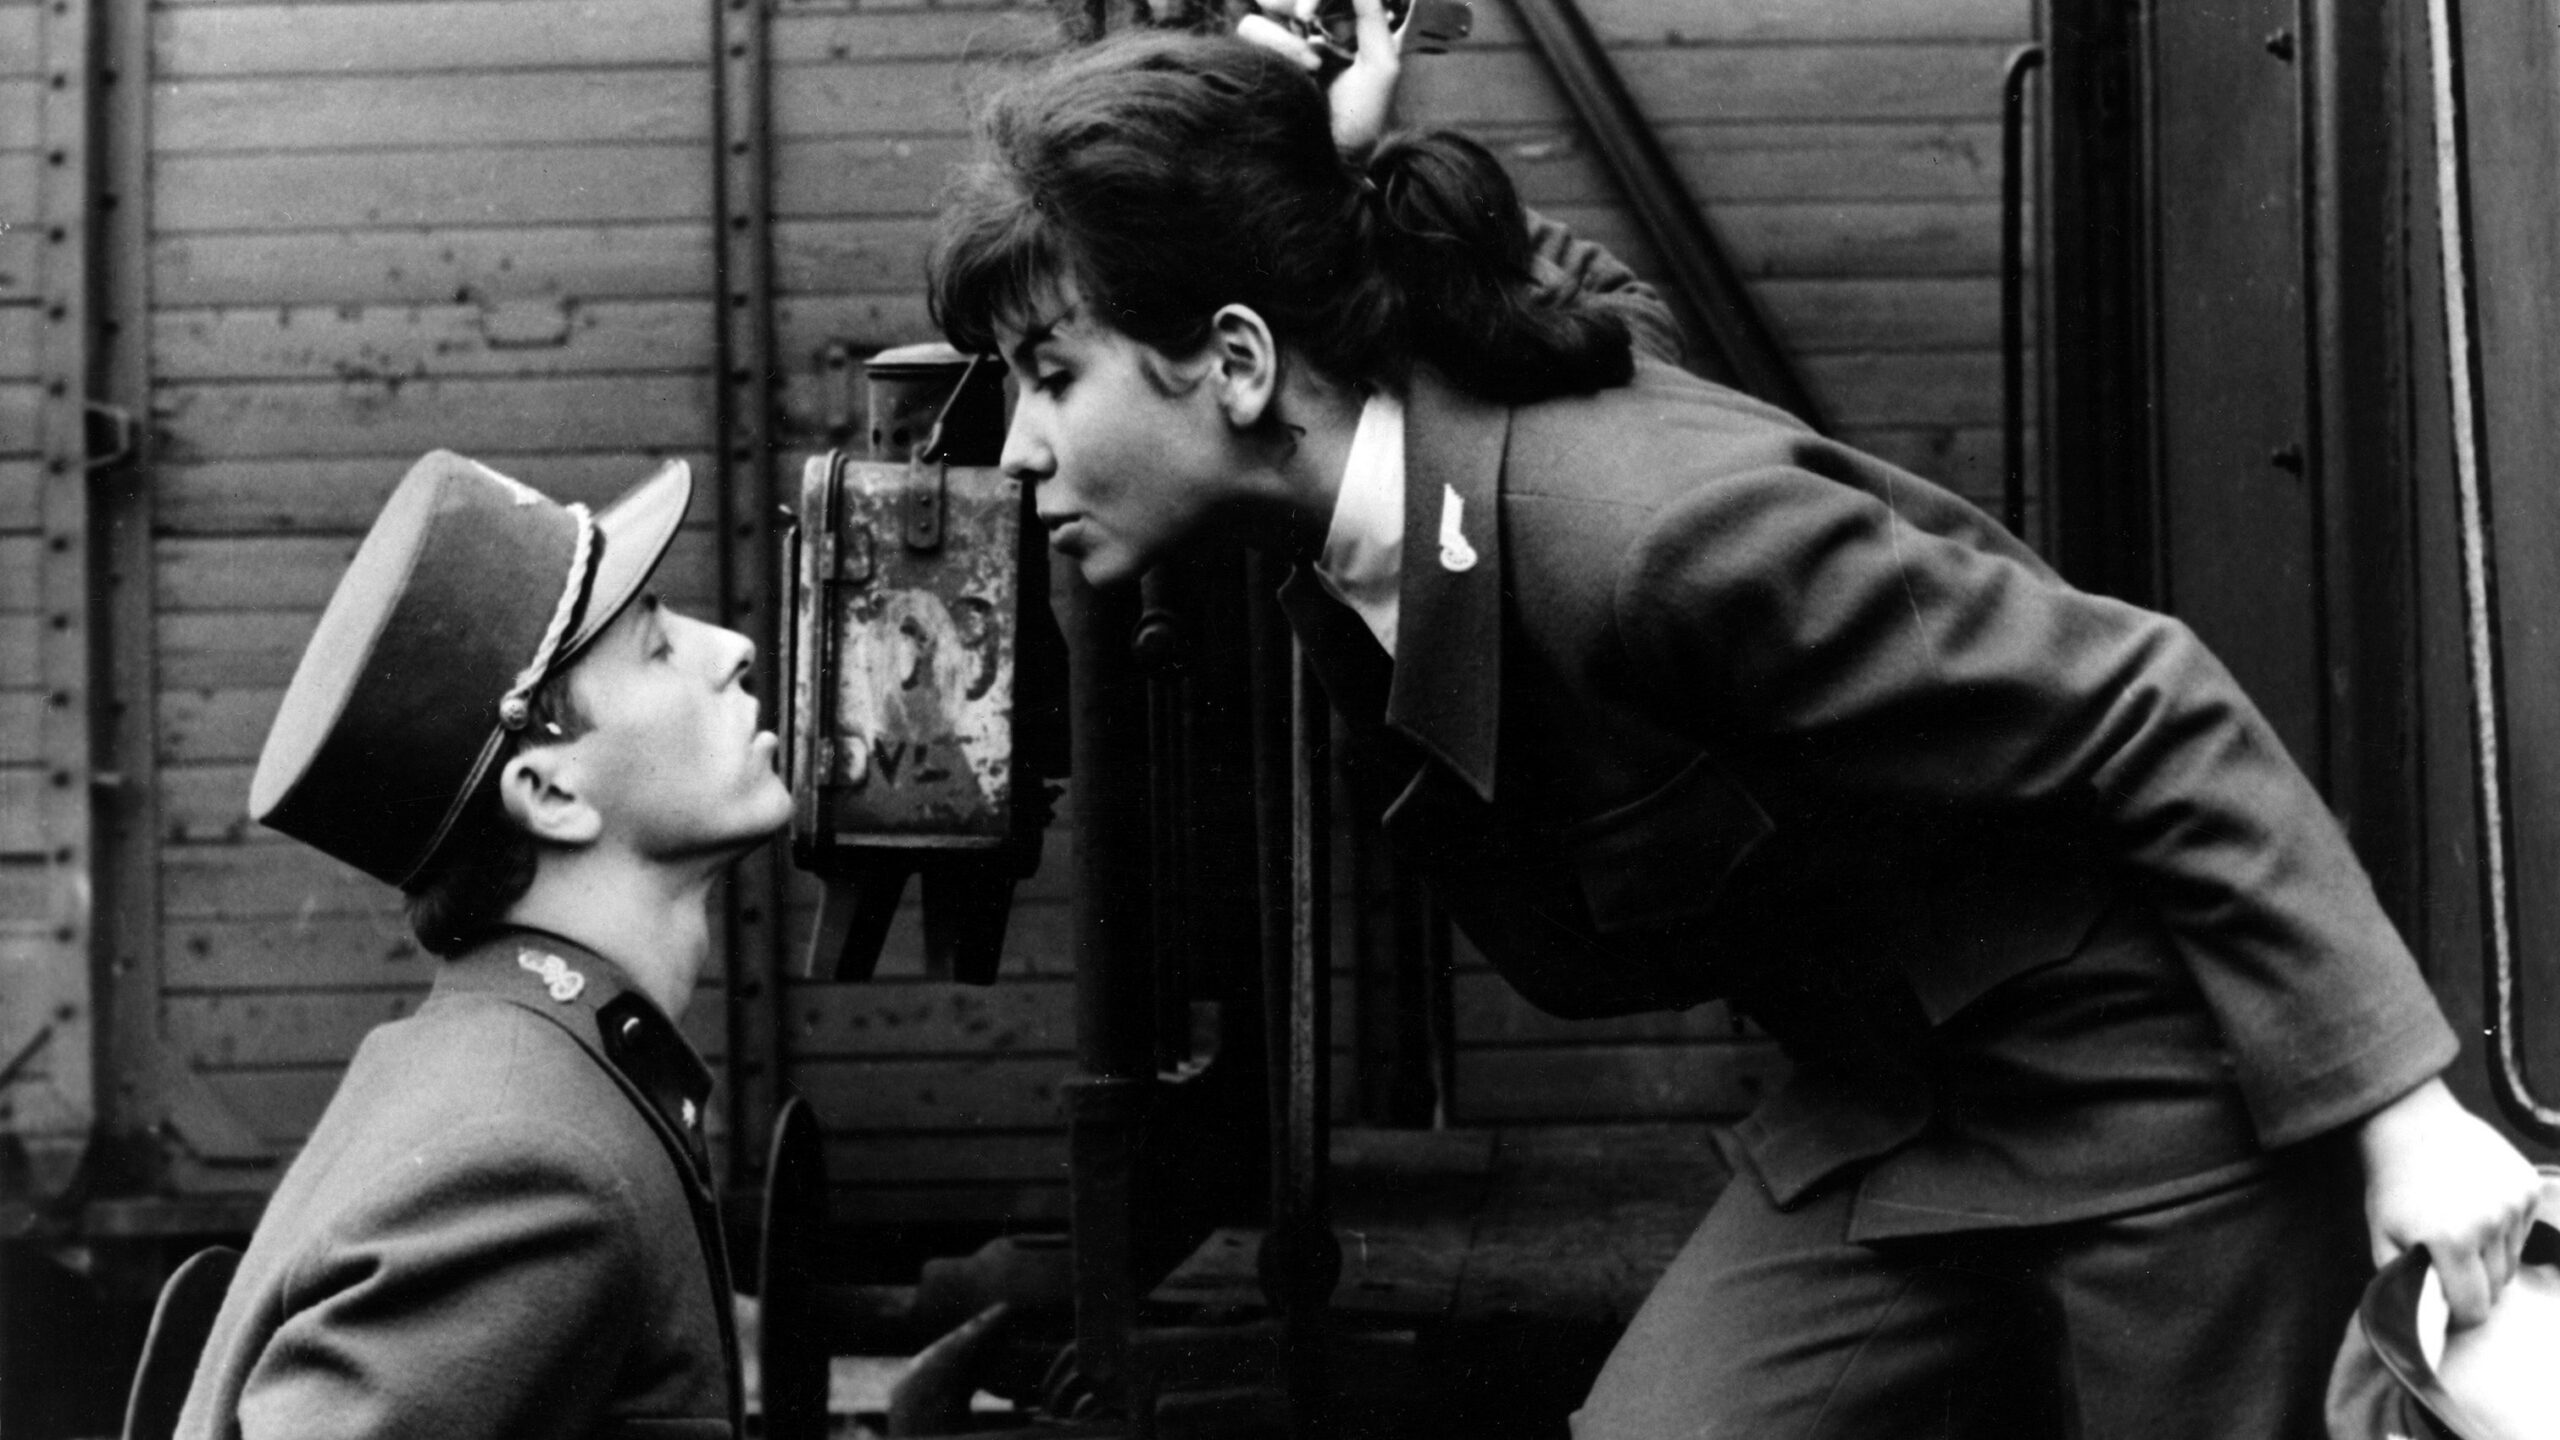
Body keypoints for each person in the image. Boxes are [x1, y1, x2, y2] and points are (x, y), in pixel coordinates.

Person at [925, 8, 2546, 1436]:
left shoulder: (1654, 539)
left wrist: (2407, 1116)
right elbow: (1586, 297)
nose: (1014, 450)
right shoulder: (1419, 459)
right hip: (1891, 1105)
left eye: (1049, 374)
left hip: (2149, 1098)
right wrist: (1315, 166)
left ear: (1233, 361)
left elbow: (2149, 701)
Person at [173, 450, 791, 1438]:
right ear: (549, 792)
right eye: (657, 648)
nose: (732, 649)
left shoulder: (505, 1075)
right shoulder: (532, 1159)